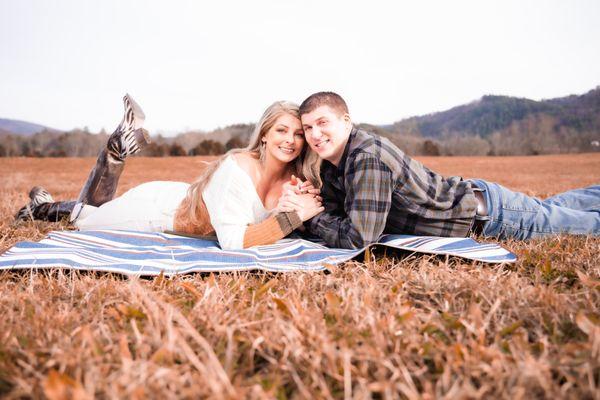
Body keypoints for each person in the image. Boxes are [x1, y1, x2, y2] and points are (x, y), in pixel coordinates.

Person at [279, 91, 600, 249]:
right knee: (557, 208)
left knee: (587, 226)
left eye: (323, 123)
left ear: (346, 121)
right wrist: (305, 205)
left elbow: (359, 238)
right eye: (308, 128)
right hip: (478, 198)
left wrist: (313, 218)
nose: (314, 134)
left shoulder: (366, 158)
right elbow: (335, 214)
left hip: (492, 217)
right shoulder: (336, 164)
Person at [15, 95, 324, 249]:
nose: (291, 140)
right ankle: (43, 206)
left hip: (176, 192)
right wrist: (291, 218)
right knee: (84, 218)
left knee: (92, 208)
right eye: (282, 130)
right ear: (265, 134)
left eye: (298, 134)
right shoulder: (237, 167)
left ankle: (45, 203)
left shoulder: (295, 179)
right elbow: (233, 242)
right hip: (155, 214)